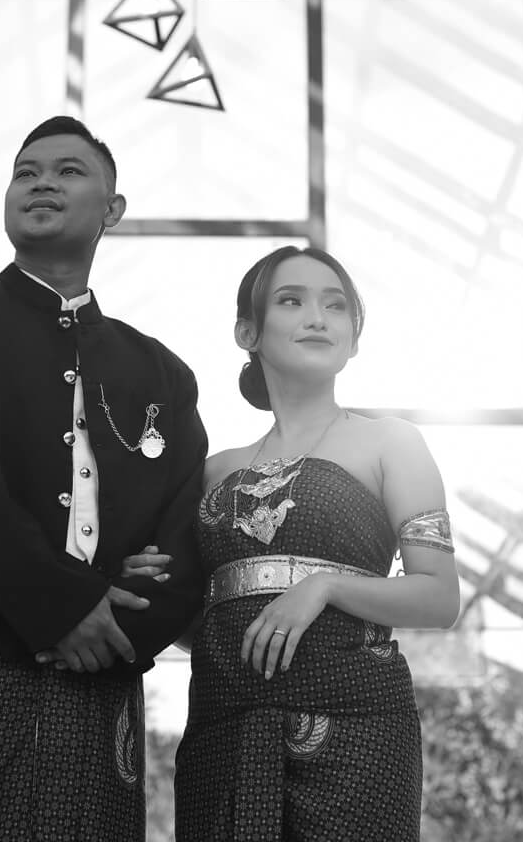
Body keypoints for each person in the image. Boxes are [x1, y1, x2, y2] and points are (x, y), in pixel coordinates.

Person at [0, 116, 208, 841]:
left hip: (105, 661)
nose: (41, 182)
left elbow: (182, 532)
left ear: (112, 210)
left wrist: (117, 627)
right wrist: (61, 605)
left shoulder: (161, 372)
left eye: (67, 171)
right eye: (26, 172)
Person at [171, 245, 460, 842]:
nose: (317, 318)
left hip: (356, 727)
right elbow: (191, 615)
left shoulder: (391, 444)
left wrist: (323, 587)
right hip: (223, 729)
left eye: (335, 306)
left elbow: (439, 597)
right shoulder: (213, 471)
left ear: (353, 339)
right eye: (291, 301)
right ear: (247, 332)